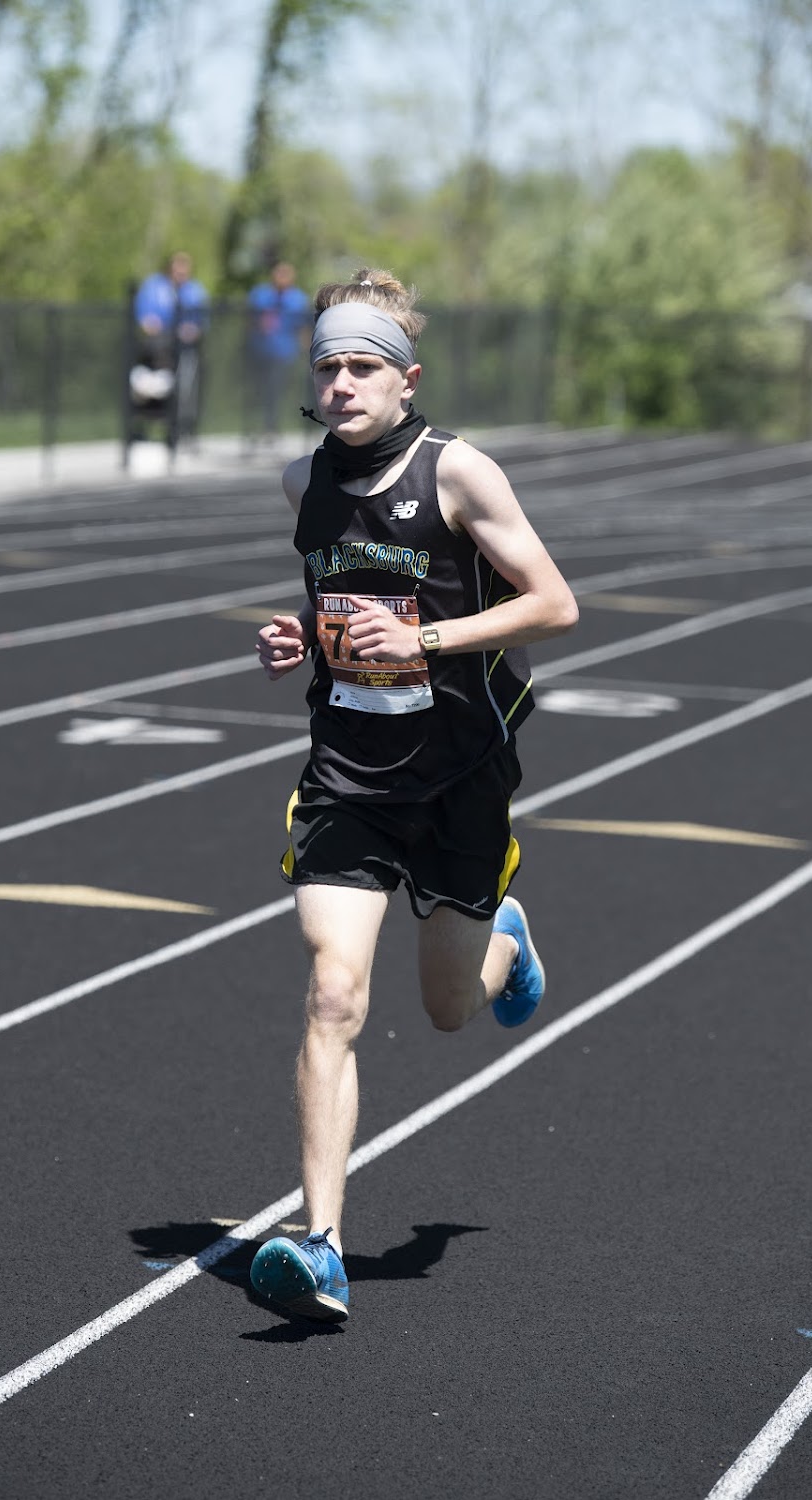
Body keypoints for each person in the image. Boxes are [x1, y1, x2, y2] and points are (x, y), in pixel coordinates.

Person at [248, 268, 579, 1323]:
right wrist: (300, 638)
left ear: (407, 380)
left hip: (459, 776)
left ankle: (505, 942)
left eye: (362, 367)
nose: (341, 385)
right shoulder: (301, 483)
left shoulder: (459, 473)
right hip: (347, 772)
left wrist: (425, 638)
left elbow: (554, 604)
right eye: (327, 368)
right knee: (333, 994)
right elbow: (337, 603)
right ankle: (321, 1245)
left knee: (446, 1010)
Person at [131, 252, 210, 442]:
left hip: (184, 350)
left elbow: (202, 321)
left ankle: (181, 429)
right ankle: (141, 427)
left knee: (184, 388)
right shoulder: (154, 287)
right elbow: (144, 316)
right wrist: (150, 324)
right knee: (144, 387)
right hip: (155, 349)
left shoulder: (195, 291)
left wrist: (192, 330)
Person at [245, 261, 312, 442]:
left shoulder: (298, 299)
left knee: (276, 392)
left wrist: (307, 353)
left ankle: (272, 427)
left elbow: (303, 329)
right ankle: (253, 427)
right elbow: (249, 322)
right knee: (256, 392)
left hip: (284, 355)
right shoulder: (260, 296)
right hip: (259, 353)